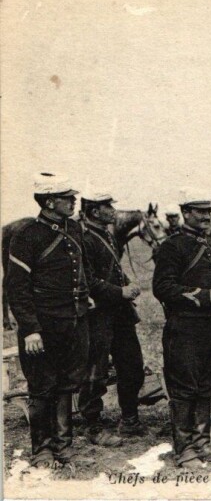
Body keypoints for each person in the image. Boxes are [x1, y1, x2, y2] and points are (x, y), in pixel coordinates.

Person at [6, 173, 114, 468]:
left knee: (68, 385)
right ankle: (41, 450)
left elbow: (81, 272)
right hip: (43, 327)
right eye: (67, 197)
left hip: (75, 322)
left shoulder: (75, 230)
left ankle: (63, 446)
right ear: (49, 201)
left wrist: (84, 297)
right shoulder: (27, 235)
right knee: (42, 387)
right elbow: (17, 288)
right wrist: (30, 330)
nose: (74, 201)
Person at [152, 188, 211, 468]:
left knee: (207, 386)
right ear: (185, 213)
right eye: (199, 211)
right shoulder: (172, 246)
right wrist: (204, 295)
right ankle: (184, 449)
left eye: (208, 211)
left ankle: (202, 444)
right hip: (185, 327)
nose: (205, 216)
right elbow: (162, 287)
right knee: (184, 388)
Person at [77, 189, 145, 446]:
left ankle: (129, 420)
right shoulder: (83, 238)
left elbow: (112, 269)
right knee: (95, 372)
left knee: (132, 366)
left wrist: (127, 283)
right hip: (98, 314)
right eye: (108, 206)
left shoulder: (106, 233)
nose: (113, 210)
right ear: (95, 211)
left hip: (120, 313)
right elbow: (88, 280)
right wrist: (121, 291)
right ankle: (93, 427)